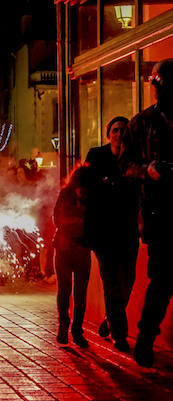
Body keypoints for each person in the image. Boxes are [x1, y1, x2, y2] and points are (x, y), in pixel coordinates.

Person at [122, 58, 173, 367]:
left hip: (160, 213)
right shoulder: (141, 123)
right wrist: (148, 170)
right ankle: (145, 338)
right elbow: (124, 165)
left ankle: (146, 338)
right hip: (161, 213)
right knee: (162, 281)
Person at [84, 116, 139, 352]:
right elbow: (84, 187)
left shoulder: (136, 158)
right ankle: (119, 334)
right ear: (108, 134)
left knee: (128, 280)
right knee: (111, 282)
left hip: (128, 230)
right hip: (103, 231)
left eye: (123, 131)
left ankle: (110, 317)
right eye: (115, 130)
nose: (118, 134)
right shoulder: (96, 155)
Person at [53, 166, 91, 347]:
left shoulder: (92, 198)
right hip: (64, 246)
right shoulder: (65, 194)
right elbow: (58, 219)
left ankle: (76, 328)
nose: (82, 191)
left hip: (82, 247)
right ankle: (64, 325)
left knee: (80, 291)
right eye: (80, 188)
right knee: (65, 288)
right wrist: (81, 220)